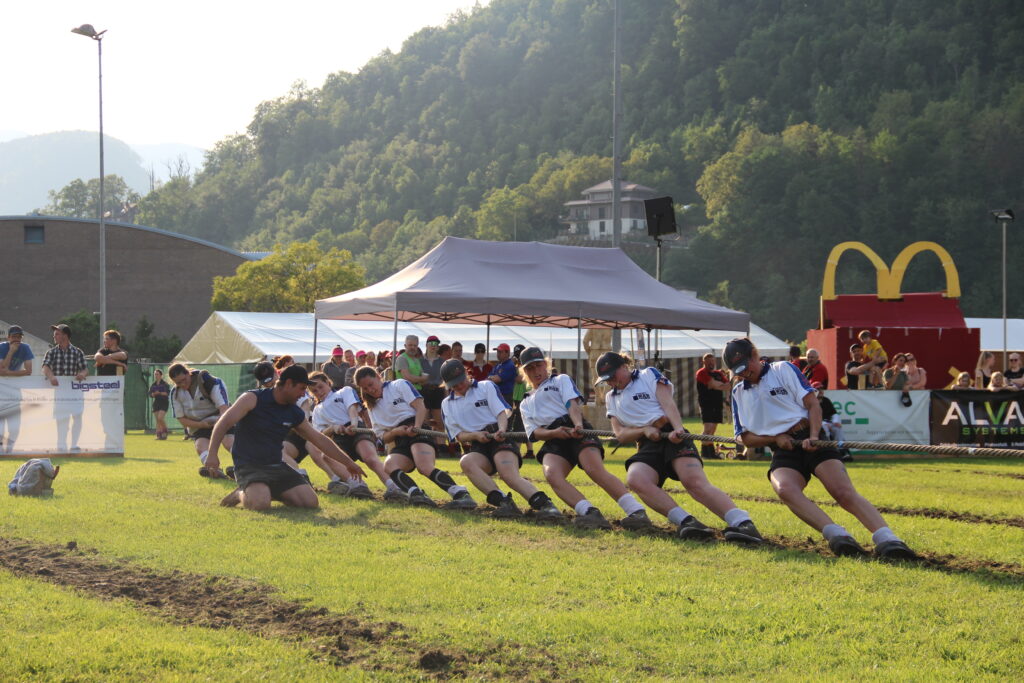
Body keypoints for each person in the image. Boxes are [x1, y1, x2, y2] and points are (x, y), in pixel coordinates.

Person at [725, 337, 914, 559]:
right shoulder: (739, 392)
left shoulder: (783, 369)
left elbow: (812, 404)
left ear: (755, 356)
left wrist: (814, 435)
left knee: (842, 491)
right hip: (782, 446)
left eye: (747, 367)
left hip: (809, 434)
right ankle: (837, 535)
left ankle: (888, 539)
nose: (745, 374)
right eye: (739, 371)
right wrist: (775, 439)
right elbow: (744, 437)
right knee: (785, 489)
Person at [598, 351, 762, 543]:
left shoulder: (648, 375)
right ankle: (687, 522)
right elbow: (620, 434)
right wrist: (644, 430)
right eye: (606, 380)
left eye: (613, 376)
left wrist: (677, 430)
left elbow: (668, 404)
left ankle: (743, 523)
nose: (611, 382)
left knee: (694, 482)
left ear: (624, 367)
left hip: (671, 432)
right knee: (636, 479)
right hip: (647, 442)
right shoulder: (611, 397)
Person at [518, 347, 652, 530]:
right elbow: (534, 432)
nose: (536, 371)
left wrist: (577, 425)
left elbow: (571, 403)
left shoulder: (560, 380)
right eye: (530, 368)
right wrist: (554, 433)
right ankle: (589, 512)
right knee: (552, 474)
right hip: (553, 437)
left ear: (546, 364)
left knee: (594, 469)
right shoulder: (525, 402)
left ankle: (636, 511)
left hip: (575, 428)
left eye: (539, 365)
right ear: (524, 372)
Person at [207, 365, 365, 511]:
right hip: (249, 466)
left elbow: (318, 439)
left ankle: (264, 490)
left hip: (276, 466)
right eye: (302, 388)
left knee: (310, 503)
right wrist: (212, 454)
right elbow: (223, 423)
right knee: (260, 504)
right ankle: (240, 493)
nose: (304, 394)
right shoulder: (252, 399)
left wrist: (349, 463)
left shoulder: (293, 412)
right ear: (289, 383)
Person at [440, 358, 561, 520]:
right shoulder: (447, 404)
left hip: (499, 437)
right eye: (454, 385)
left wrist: (502, 430)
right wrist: (475, 436)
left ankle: (546, 505)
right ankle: (504, 502)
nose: (459, 387)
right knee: (466, 462)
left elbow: (501, 413)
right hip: (478, 444)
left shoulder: (485, 386)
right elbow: (457, 435)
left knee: (508, 474)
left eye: (461, 381)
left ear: (466, 374)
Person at [355, 365, 476, 508]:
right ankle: (417, 494)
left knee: (424, 467)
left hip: (418, 429)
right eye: (365, 388)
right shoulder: (371, 406)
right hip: (400, 437)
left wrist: (417, 427)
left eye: (371, 384)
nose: (370, 390)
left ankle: (460, 493)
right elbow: (382, 437)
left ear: (378, 377)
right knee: (389, 465)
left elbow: (420, 407)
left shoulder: (398, 385)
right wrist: (396, 432)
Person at [307, 370, 391, 499]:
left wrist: (354, 423)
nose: (319, 392)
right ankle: (358, 485)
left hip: (356, 429)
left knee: (369, 457)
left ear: (328, 383)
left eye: (320, 387)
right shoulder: (317, 410)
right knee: (326, 457)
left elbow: (352, 407)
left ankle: (393, 486)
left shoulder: (344, 391)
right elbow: (321, 433)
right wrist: (333, 428)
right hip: (339, 437)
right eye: (315, 391)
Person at [168, 362, 235, 476]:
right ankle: (214, 470)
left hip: (221, 418)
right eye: (178, 383)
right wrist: (202, 425)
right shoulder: (175, 393)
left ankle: (245, 466)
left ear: (188, 373)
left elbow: (224, 409)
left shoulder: (209, 382)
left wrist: (217, 425)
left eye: (184, 379)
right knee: (200, 446)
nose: (183, 384)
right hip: (199, 424)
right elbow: (182, 420)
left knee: (229, 443)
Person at [41, 323, 88, 452]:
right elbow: (45, 367)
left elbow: (85, 369)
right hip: (59, 391)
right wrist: (51, 377)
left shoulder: (77, 352)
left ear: (65, 336)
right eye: (54, 334)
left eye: (57, 333)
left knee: (77, 417)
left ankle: (74, 444)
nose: (54, 336)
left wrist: (81, 375)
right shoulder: (51, 352)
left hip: (75, 391)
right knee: (62, 418)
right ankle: (61, 444)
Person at [0, 325, 33, 454]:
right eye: (14, 336)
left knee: (16, 422)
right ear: (8, 337)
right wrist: (11, 351)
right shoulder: (2, 347)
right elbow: (1, 369)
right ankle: (1, 449)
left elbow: (29, 370)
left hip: (15, 390)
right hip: (1, 390)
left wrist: (8, 373)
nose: (16, 339)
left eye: (19, 337)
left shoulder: (25, 348)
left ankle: (10, 449)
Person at [694, 353, 730, 461]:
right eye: (709, 362)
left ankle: (711, 453)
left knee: (713, 429)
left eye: (713, 361)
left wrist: (719, 385)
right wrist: (720, 385)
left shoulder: (718, 373)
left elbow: (728, 385)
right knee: (708, 428)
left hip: (717, 404)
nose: (711, 364)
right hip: (706, 404)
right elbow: (712, 384)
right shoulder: (701, 373)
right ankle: (704, 452)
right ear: (704, 362)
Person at [419, 336, 446, 435]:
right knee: (425, 422)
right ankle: (426, 443)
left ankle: (441, 446)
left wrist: (446, 396)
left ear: (438, 347)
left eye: (436, 344)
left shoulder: (442, 361)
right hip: (423, 391)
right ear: (426, 345)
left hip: (438, 391)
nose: (433, 346)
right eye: (431, 344)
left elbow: (445, 381)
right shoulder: (420, 360)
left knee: (439, 422)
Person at [149, 369, 171, 440]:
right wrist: (153, 394)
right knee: (157, 420)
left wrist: (160, 393)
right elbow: (150, 394)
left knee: (160, 418)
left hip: (164, 402)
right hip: (156, 402)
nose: (156, 375)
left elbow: (167, 393)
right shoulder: (153, 385)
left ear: (161, 375)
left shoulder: (165, 384)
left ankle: (165, 430)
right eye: (155, 374)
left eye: (157, 374)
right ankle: (159, 435)